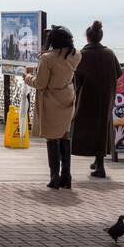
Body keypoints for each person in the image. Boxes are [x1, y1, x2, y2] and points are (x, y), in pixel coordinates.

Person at [24, 25, 80, 189]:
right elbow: (60, 68)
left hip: (51, 99)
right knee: (64, 135)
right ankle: (66, 176)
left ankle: (54, 177)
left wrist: (27, 77)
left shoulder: (47, 58)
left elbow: (40, 83)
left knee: (52, 137)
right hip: (68, 96)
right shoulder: (76, 55)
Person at [71, 20, 123, 178]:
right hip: (107, 96)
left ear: (87, 38)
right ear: (100, 37)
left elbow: (76, 78)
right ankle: (98, 161)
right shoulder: (109, 53)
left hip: (87, 97)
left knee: (85, 126)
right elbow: (119, 73)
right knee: (102, 127)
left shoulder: (83, 55)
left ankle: (99, 166)